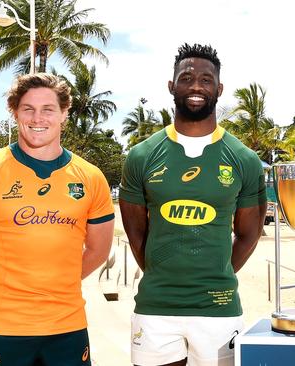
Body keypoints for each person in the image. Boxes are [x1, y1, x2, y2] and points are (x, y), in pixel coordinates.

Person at [0, 73, 115, 366]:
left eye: (48, 109)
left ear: (64, 113)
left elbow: (99, 250)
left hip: (68, 327)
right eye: (28, 109)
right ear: (15, 112)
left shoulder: (91, 177)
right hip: (3, 326)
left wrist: (57, 285)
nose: (38, 118)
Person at [119, 43, 267, 366]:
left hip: (218, 310)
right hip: (155, 309)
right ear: (172, 86)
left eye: (206, 79)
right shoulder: (141, 156)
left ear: (220, 88)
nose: (196, 86)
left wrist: (215, 273)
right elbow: (136, 235)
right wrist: (164, 273)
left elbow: (248, 235)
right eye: (186, 78)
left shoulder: (244, 159)